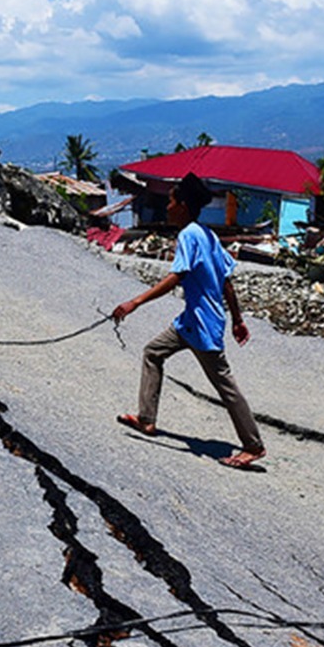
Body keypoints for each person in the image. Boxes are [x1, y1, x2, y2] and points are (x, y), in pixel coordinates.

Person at [111, 173, 265, 469]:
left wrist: (135, 302)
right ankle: (146, 419)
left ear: (181, 204)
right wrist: (237, 319)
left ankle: (253, 445)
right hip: (190, 322)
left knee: (225, 385)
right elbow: (226, 281)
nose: (167, 206)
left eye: (171, 200)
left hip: (202, 325)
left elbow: (177, 276)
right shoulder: (208, 234)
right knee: (153, 352)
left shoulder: (189, 235)